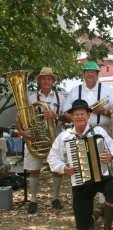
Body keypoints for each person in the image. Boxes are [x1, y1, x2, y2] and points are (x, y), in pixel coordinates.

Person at [47, 99, 113, 230]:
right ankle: (96, 213)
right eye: (76, 114)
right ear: (72, 117)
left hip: (102, 176)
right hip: (80, 181)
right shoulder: (65, 136)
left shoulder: (98, 131)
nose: (79, 117)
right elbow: (52, 157)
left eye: (82, 114)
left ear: (88, 116)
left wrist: (111, 156)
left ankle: (107, 226)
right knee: (83, 226)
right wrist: (63, 168)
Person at [63, 60, 113, 206]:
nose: (90, 74)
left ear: (98, 74)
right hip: (81, 132)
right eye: (87, 71)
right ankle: (86, 201)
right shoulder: (75, 90)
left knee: (103, 165)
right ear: (83, 74)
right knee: (83, 166)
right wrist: (76, 120)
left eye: (93, 71)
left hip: (102, 130)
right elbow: (66, 112)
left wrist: (103, 110)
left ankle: (103, 202)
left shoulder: (108, 90)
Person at [16, 67, 66, 214]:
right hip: (35, 139)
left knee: (57, 170)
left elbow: (67, 117)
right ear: (39, 81)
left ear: (53, 81)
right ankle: (33, 200)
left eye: (49, 78)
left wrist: (55, 115)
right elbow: (19, 120)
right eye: (43, 78)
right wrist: (22, 132)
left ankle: (55, 198)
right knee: (34, 170)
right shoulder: (31, 99)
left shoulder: (60, 98)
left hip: (55, 139)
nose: (46, 80)